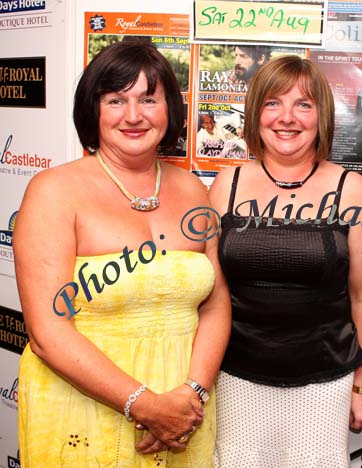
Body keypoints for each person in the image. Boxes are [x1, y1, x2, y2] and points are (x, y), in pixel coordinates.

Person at [14, 41, 231, 468]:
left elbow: (216, 304)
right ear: (93, 110)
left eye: (148, 99)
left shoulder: (193, 190)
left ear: (169, 109)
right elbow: (46, 331)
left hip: (186, 413)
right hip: (84, 404)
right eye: (116, 100)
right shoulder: (54, 192)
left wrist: (191, 395)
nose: (133, 116)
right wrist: (145, 406)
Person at [209, 55, 362, 467]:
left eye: (303, 104)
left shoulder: (351, 190)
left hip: (324, 384)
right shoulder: (225, 185)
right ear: (255, 114)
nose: (287, 117)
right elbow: (212, 295)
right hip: (234, 380)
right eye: (273, 103)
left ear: (321, 115)